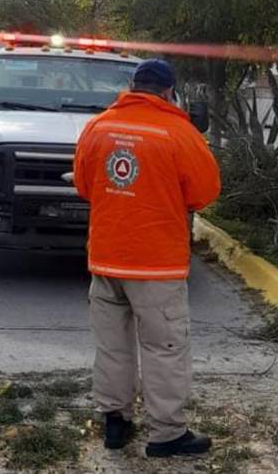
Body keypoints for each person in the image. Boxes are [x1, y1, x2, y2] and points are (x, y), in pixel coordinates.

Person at [73, 58, 221, 457]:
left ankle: (115, 422)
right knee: (164, 348)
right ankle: (167, 433)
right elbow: (205, 193)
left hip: (106, 261)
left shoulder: (98, 127)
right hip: (156, 265)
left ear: (133, 87)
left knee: (113, 346)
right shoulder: (179, 132)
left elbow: (85, 186)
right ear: (169, 91)